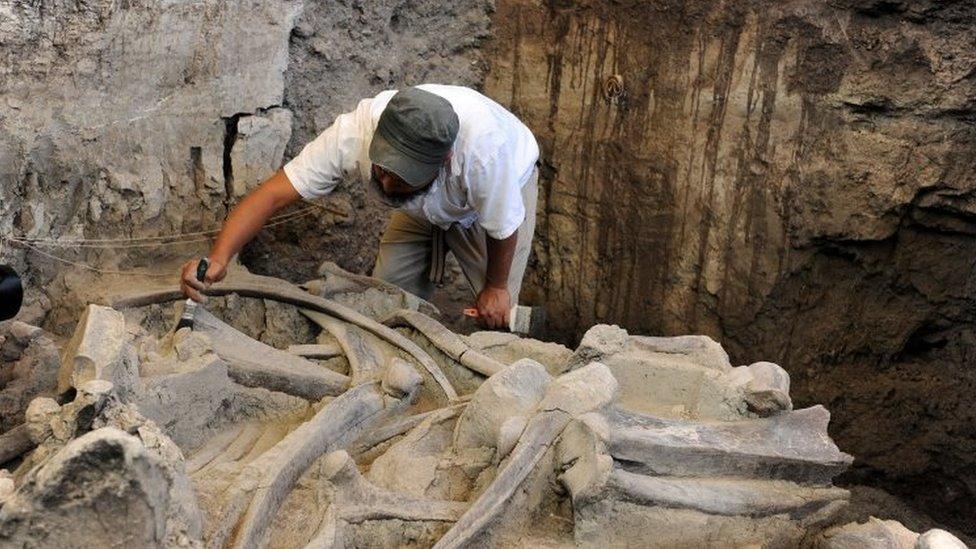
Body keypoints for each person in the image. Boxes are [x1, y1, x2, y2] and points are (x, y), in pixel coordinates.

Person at [180, 84, 539, 328]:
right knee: (385, 302)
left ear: (443, 161)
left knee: (498, 314)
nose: (384, 184)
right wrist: (219, 258)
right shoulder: (356, 131)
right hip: (420, 208)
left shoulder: (485, 155)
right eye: (382, 169)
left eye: (400, 178)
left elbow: (503, 227)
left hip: (489, 205)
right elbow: (272, 194)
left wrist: (495, 287)